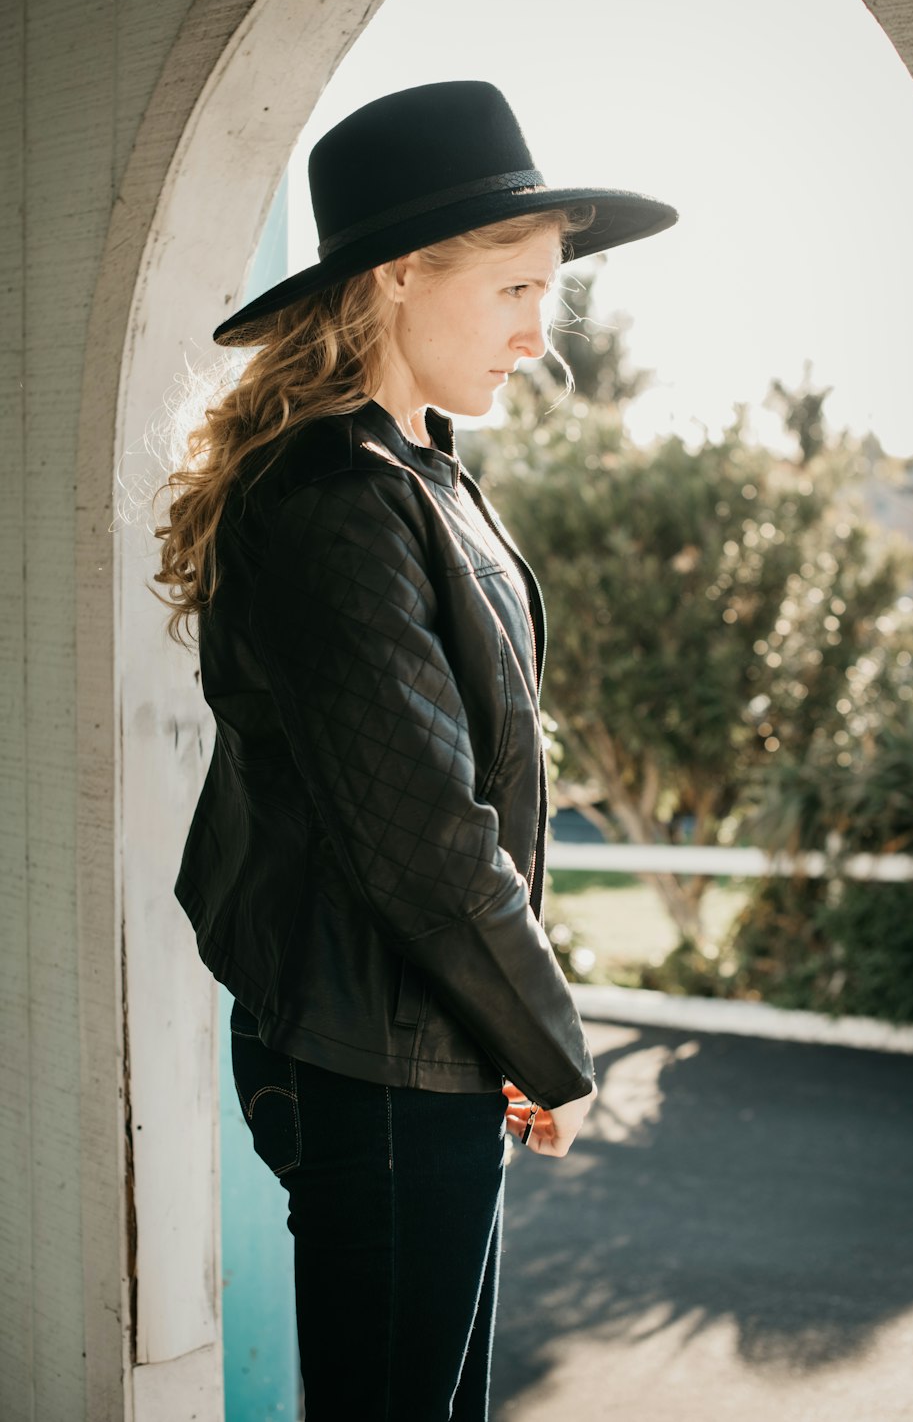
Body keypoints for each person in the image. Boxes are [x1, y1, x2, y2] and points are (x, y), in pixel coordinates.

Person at [155, 79, 677, 1420]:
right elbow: (431, 835)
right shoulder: (335, 501)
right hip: (376, 1069)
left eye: (545, 293)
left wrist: (501, 1030)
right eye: (513, 290)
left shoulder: (413, 470)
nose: (537, 333)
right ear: (398, 275)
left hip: (416, 1046)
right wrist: (551, 1044)